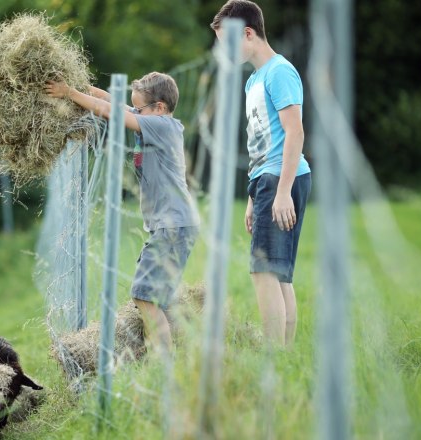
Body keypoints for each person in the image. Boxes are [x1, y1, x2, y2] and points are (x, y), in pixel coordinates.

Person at [45, 73, 200, 357]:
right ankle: (177, 354)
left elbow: (109, 112)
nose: (134, 112)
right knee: (156, 298)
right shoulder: (151, 119)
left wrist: (69, 93)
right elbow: (110, 101)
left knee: (144, 295)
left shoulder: (162, 126)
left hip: (172, 225)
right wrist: (79, 84)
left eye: (138, 108)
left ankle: (162, 362)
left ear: (160, 107)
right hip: (171, 225)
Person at [211, 0, 312, 347]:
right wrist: (255, 198)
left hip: (282, 178)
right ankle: (284, 356)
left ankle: (274, 355)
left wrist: (281, 191)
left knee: (264, 271)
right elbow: (260, 143)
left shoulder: (279, 71)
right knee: (279, 274)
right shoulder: (253, 79)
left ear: (249, 34)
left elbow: (295, 132)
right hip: (266, 181)